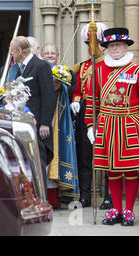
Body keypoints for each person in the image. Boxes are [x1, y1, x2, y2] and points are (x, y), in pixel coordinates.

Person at [85, 27, 139, 226]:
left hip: (129, 124)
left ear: (125, 46)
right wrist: (90, 125)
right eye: (110, 45)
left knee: (131, 170)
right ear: (106, 48)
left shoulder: (138, 71)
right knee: (111, 170)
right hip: (106, 125)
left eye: (118, 45)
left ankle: (129, 211)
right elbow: (92, 102)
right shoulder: (97, 72)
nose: (114, 48)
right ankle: (115, 209)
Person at [70, 22, 111, 208]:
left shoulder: (109, 65)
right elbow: (78, 89)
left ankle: (109, 195)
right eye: (88, 44)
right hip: (86, 109)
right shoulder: (83, 67)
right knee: (85, 155)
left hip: (104, 109)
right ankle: (85, 194)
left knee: (107, 155)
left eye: (96, 43)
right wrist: (76, 101)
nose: (92, 47)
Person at [9, 36, 56, 185]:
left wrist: (45, 123)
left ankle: (42, 201)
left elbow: (49, 96)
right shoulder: (20, 69)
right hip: (23, 125)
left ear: (19, 50)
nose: (11, 54)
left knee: (38, 165)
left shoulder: (41, 66)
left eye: (11, 51)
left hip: (38, 125)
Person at [46, 65, 80, 208]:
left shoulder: (63, 92)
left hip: (57, 128)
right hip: (44, 125)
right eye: (46, 54)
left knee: (55, 161)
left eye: (58, 81)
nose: (55, 83)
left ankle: (54, 199)